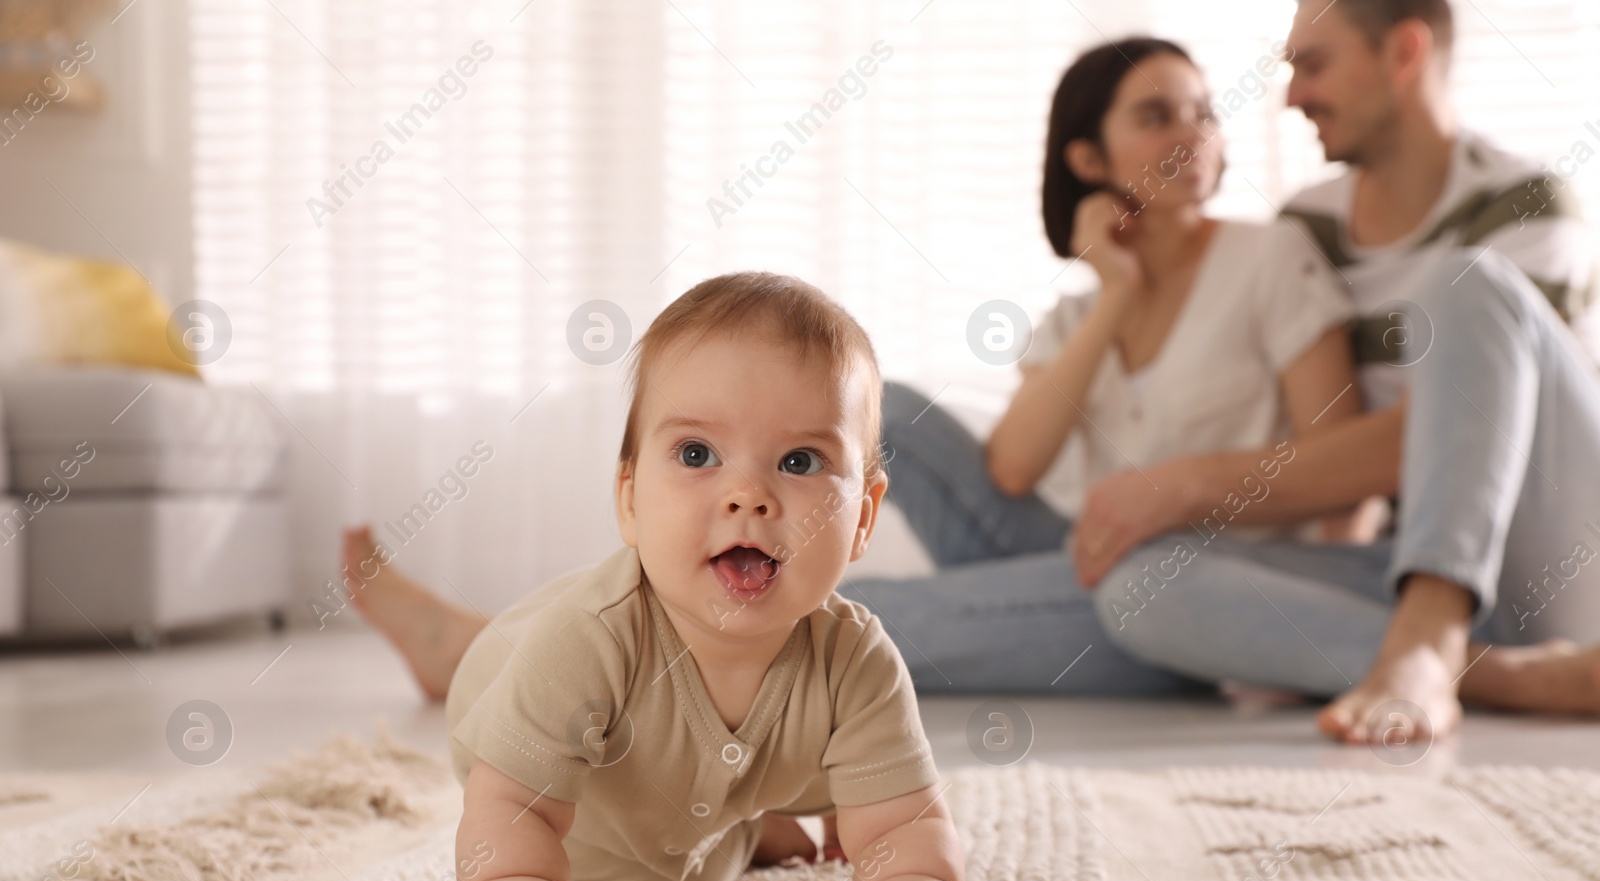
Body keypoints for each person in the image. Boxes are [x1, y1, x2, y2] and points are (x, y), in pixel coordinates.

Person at [342, 36, 1368, 703]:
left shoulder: (1267, 257)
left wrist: (1272, 628)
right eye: (1157, 114)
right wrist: (1112, 298)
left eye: (1202, 110)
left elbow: (1340, 463)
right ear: (1089, 159)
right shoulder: (1078, 306)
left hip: (1183, 586)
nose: (1193, 130)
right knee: (900, 411)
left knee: (845, 627)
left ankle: (515, 654)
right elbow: (1009, 471)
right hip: (1075, 547)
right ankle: (552, 641)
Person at [444, 272, 963, 881]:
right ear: (629, 498)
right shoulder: (590, 639)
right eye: (697, 452)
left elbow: (899, 829)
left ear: (864, 517)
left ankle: (751, 825)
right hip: (553, 776)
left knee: (691, 868)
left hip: (692, 800)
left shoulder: (857, 661)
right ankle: (450, 639)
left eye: (798, 462)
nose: (747, 493)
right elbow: (505, 825)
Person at [1079, 0, 1600, 743]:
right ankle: (1504, 673)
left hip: (1563, 548)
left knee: (1469, 286)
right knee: (1141, 584)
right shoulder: (1308, 227)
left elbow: (1444, 434)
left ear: (1404, 54)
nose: (1293, 95)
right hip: (1415, 554)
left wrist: (1186, 485)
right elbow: (1327, 429)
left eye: (1313, 64)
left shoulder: (1522, 204)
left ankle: (1426, 641)